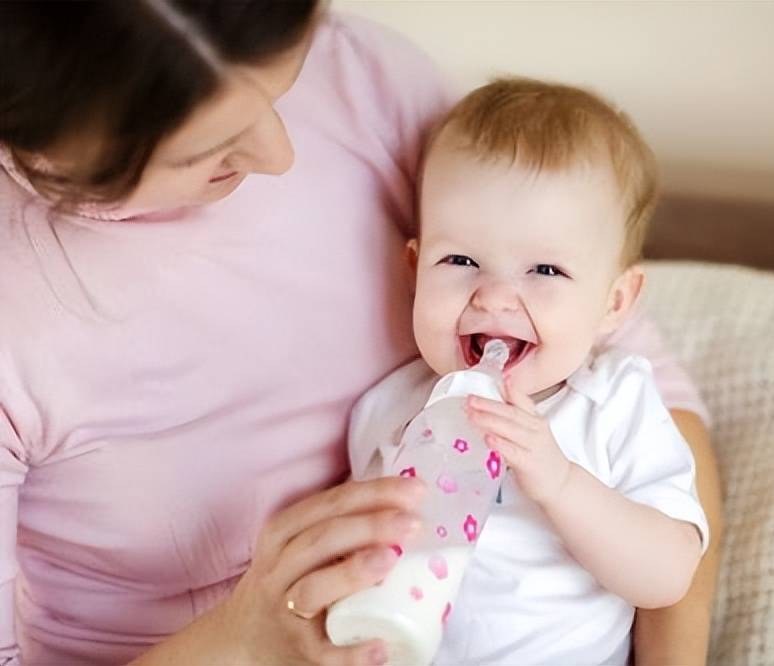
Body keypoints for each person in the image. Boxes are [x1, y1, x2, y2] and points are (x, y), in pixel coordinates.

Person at [0, 2, 723, 665]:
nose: (282, 155)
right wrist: (240, 639)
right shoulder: (390, 409)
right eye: (204, 149)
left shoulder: (364, 76)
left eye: (286, 84)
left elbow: (635, 366)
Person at [346, 78, 708, 665]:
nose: (493, 297)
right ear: (414, 269)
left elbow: (667, 575)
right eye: (459, 260)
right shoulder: (389, 409)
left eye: (544, 270)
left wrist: (560, 482)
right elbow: (355, 554)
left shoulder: (614, 402)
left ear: (615, 302)